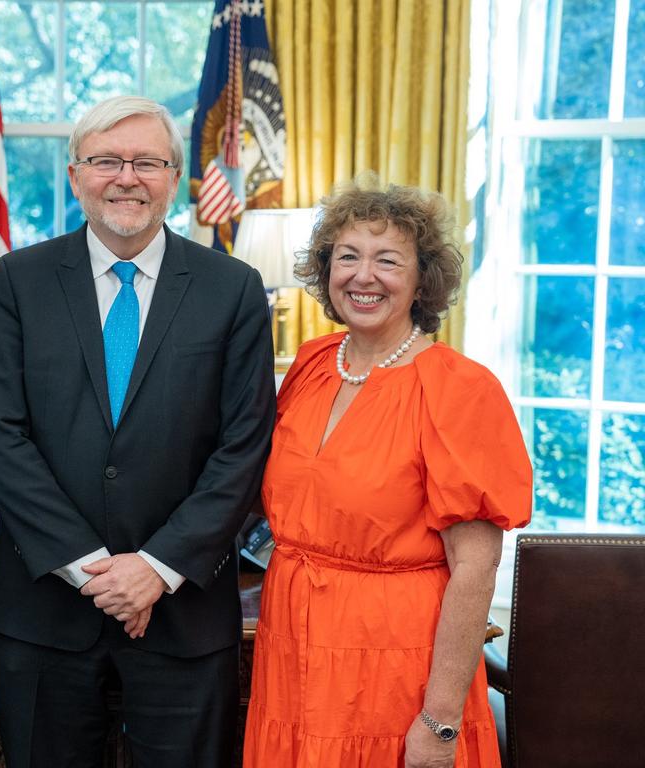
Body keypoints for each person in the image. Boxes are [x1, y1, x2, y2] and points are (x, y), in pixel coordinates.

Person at [0, 95, 276, 768]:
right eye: (107, 160)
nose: (126, 177)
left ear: (174, 179)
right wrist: (94, 572)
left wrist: (157, 570)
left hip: (185, 615)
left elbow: (244, 446)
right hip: (44, 611)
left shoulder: (234, 289)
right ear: (75, 174)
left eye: (147, 162)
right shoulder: (17, 282)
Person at [243, 175, 533, 768]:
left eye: (388, 260)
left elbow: (475, 569)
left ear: (422, 278)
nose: (363, 276)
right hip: (291, 649)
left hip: (392, 665)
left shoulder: (460, 390)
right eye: (346, 256)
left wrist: (441, 720)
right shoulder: (314, 362)